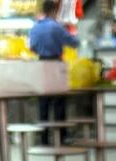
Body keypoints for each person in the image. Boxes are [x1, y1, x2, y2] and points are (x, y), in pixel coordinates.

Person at [29, 0, 79, 143]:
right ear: (54, 11)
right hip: (55, 64)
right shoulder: (56, 27)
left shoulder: (35, 27)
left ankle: (44, 138)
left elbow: (32, 47)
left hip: (41, 64)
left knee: (43, 102)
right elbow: (74, 42)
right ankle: (61, 137)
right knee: (59, 102)